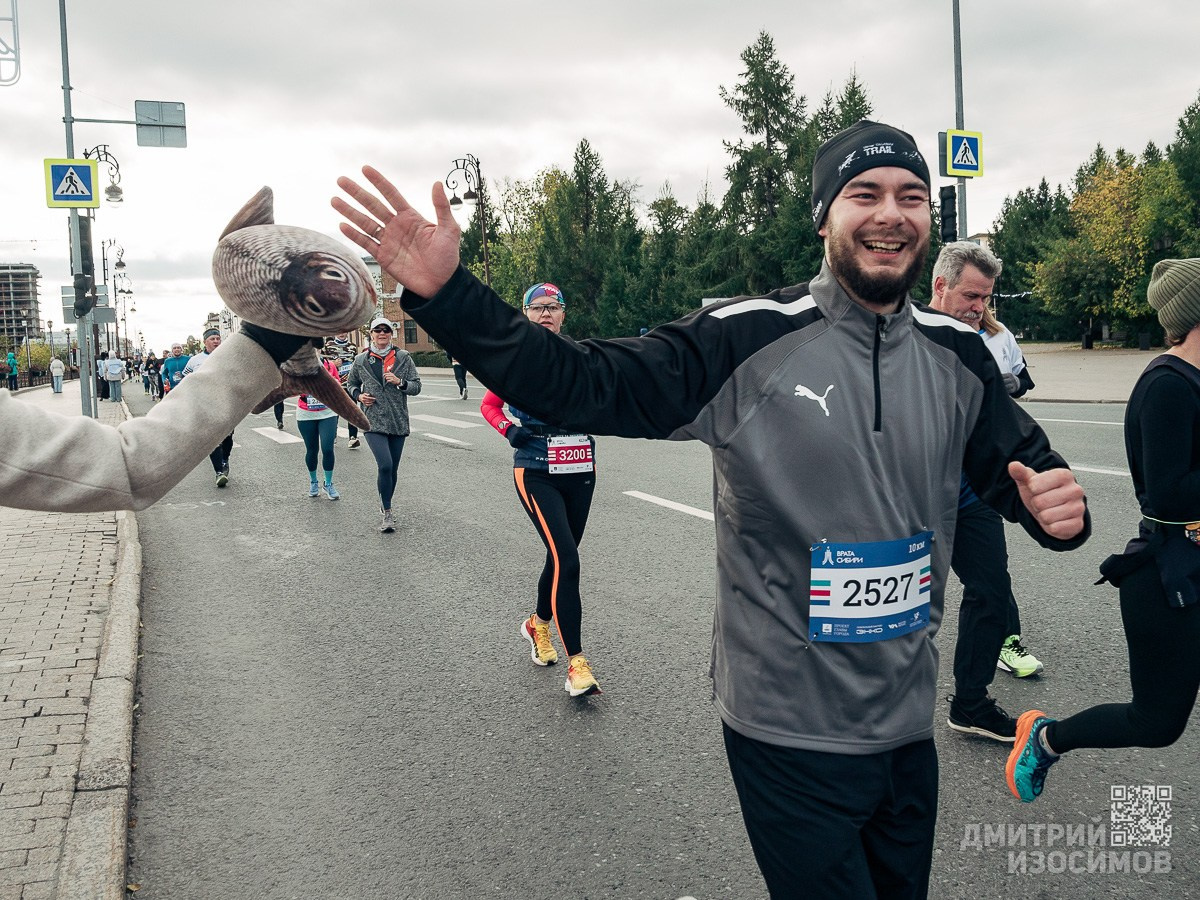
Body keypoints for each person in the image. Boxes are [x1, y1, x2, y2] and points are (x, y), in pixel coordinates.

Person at [334, 119, 1090, 898]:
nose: (890, 213)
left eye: (911, 196)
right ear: (825, 216)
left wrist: (1054, 510)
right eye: (865, 194)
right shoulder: (746, 339)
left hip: (905, 722)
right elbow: (579, 381)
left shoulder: (956, 352)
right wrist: (450, 295)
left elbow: (1021, 467)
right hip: (786, 726)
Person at [1007, 258, 1200, 803]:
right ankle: (1046, 739)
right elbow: (1167, 493)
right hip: (1170, 577)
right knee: (1158, 722)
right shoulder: (1168, 386)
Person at [0, 324, 309, 512]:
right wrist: (264, 342)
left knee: (225, 440)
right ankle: (220, 465)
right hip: (200, 400)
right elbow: (130, 464)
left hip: (208, 403)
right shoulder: (191, 360)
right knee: (219, 441)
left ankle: (222, 462)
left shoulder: (191, 358)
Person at [928, 242, 1043, 743]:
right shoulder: (902, 335)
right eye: (972, 297)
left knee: (993, 594)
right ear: (940, 286)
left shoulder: (984, 344)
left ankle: (970, 704)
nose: (980, 308)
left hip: (971, 496)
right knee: (899, 612)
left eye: (985, 299)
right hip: (912, 499)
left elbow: (1010, 423)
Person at [480, 283, 601, 697]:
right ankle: (578, 666)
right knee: (567, 559)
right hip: (535, 470)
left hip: (580, 467)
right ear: (525, 314)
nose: (546, 313)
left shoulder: (579, 355)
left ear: (563, 314)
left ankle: (537, 625)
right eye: (538, 308)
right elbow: (489, 406)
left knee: (561, 555)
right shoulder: (515, 359)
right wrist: (511, 431)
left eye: (553, 307)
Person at [346, 317, 421, 532]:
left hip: (398, 419)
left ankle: (386, 502)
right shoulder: (361, 360)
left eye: (385, 330)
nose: (382, 333)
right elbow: (350, 384)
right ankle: (387, 512)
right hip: (373, 420)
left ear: (391, 334)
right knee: (385, 465)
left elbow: (417, 386)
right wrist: (359, 396)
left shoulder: (403, 358)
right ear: (371, 334)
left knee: (393, 469)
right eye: (377, 330)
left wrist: (401, 383)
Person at [181, 328, 235, 487]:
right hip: (204, 403)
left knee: (227, 437)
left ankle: (225, 460)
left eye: (218, 338)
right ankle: (219, 472)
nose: (216, 341)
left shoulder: (228, 357)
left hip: (226, 402)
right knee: (212, 439)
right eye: (213, 339)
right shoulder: (195, 360)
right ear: (205, 342)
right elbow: (186, 379)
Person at [297, 345, 343, 499]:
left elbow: (337, 384)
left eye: (316, 348)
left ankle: (328, 484)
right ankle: (313, 481)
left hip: (327, 412)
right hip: (306, 413)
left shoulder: (329, 366)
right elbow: (291, 387)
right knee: (312, 450)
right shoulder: (299, 366)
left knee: (327, 448)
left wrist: (334, 385)